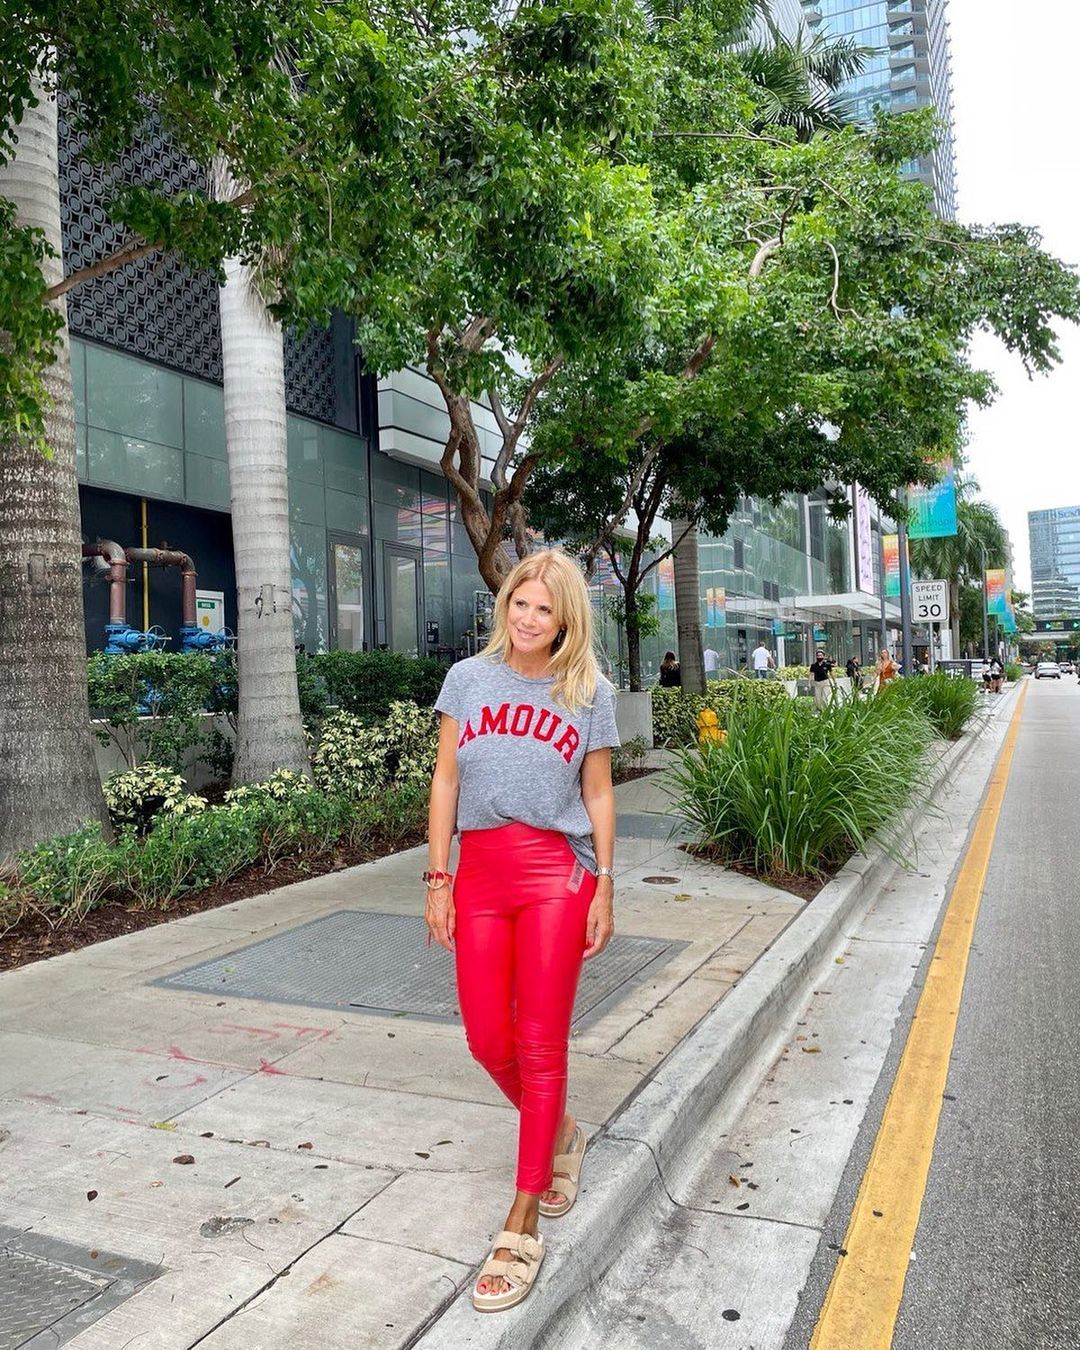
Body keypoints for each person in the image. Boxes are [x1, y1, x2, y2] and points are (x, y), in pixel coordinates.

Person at [427, 549, 620, 1313]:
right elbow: (446, 778)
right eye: (521, 604)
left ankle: (523, 1216)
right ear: (505, 604)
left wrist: (606, 883)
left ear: (565, 620)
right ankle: (562, 1134)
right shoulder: (467, 681)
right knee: (486, 1039)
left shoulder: (588, 692)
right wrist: (437, 877)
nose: (530, 619)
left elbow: (598, 794)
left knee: (540, 1043)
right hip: (480, 873)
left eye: (546, 609)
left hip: (555, 877)